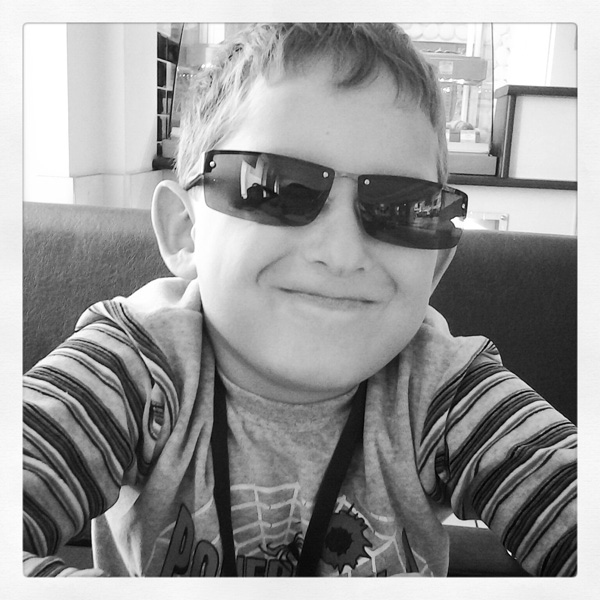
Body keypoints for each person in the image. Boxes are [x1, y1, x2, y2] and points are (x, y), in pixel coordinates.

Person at [23, 23, 576, 577]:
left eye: (401, 208)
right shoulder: (136, 365)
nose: (341, 254)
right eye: (279, 189)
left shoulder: (444, 390)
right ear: (186, 232)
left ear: (434, 267)